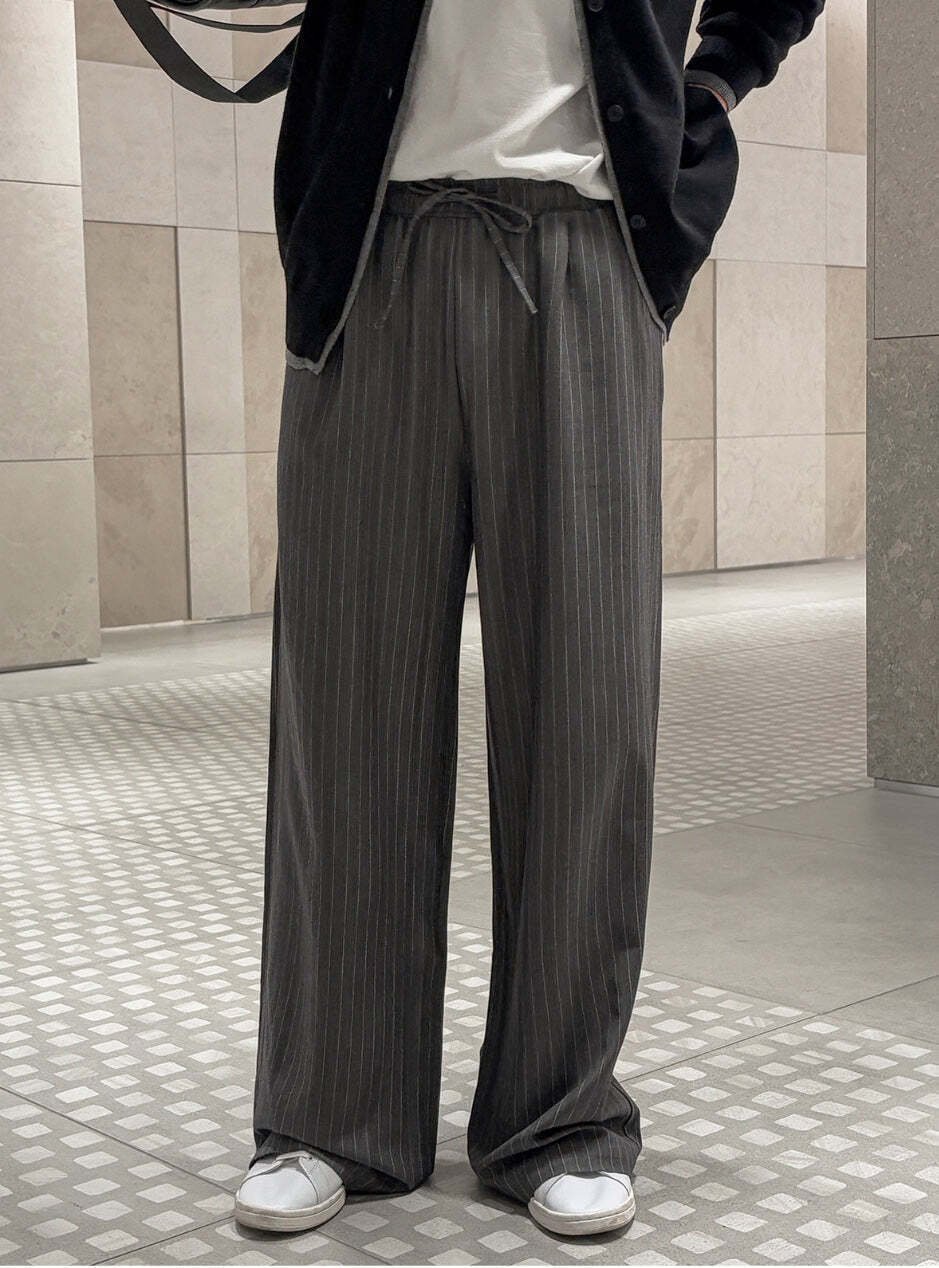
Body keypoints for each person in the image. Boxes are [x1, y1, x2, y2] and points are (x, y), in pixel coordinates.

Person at [162, 0, 825, 1239]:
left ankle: (560, 1116)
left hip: (588, 244)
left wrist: (718, 82)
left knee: (586, 705)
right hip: (371, 250)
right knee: (346, 708)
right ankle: (332, 1112)